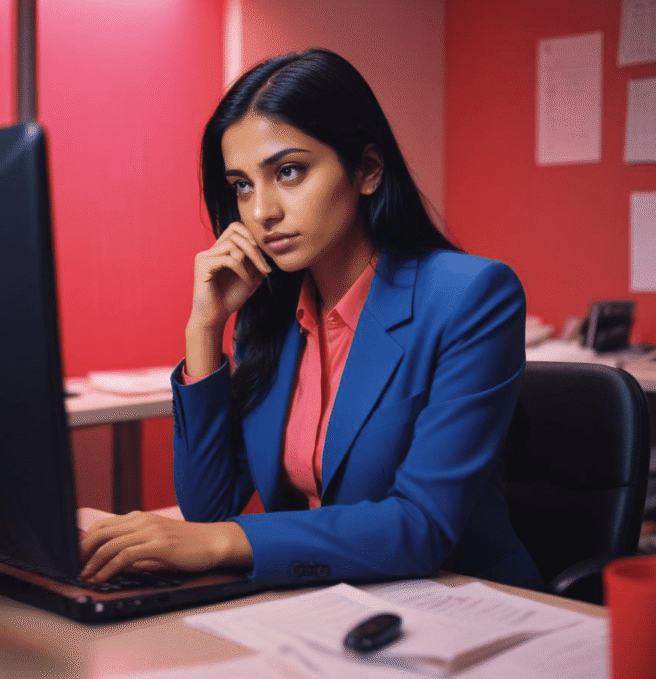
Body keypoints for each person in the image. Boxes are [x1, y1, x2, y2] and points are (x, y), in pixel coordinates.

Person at [79, 48, 543, 591]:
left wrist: (227, 541)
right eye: (242, 185)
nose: (260, 212)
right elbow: (208, 508)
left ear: (367, 170)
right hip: (325, 604)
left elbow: (423, 524)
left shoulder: (470, 296)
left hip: (463, 603)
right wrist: (204, 331)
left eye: (289, 172)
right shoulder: (270, 314)